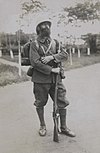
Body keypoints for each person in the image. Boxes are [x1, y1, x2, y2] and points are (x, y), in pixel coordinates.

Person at [29, 20, 76, 137]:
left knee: (62, 102)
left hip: (56, 79)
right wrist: (51, 70)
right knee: (40, 103)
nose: (48, 29)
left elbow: (64, 54)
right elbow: (35, 62)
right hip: (40, 80)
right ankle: (42, 126)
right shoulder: (34, 44)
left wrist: (52, 57)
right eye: (45, 28)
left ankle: (63, 127)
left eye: (49, 27)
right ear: (39, 31)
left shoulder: (55, 42)